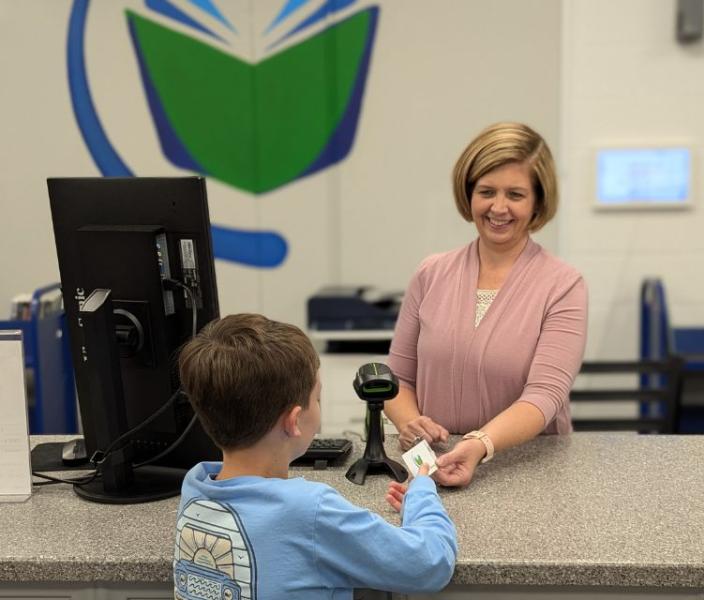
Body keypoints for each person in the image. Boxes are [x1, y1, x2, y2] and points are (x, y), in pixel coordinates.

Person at [174, 313, 457, 600]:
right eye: (316, 398)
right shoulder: (309, 511)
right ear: (294, 420)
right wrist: (422, 492)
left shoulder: (195, 490)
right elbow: (429, 564)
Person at [385, 122, 587, 488]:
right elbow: (398, 379)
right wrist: (411, 431)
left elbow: (545, 396)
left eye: (515, 194)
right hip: (433, 467)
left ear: (538, 201)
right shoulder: (431, 273)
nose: (498, 207)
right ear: (469, 194)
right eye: (487, 191)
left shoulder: (563, 285)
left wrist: (479, 445)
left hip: (528, 473)